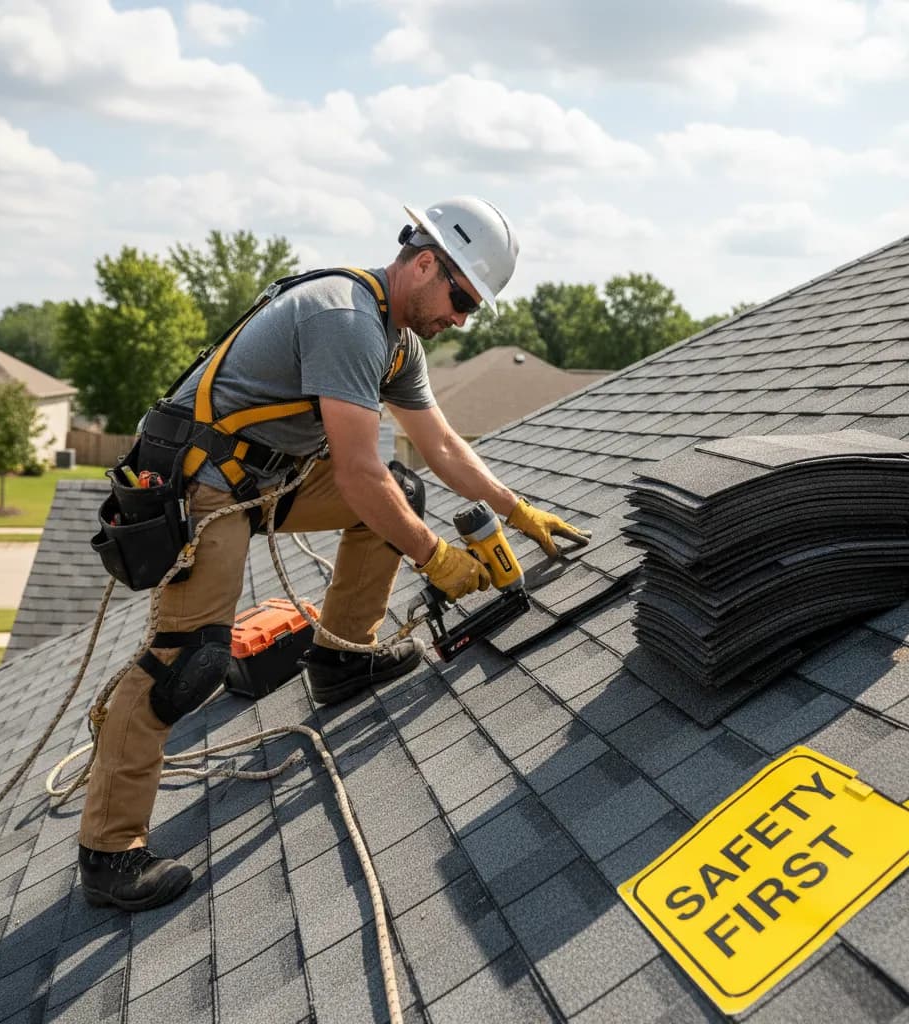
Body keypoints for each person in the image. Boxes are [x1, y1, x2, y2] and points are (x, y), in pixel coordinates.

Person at [77, 196, 592, 911]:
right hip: (205, 486)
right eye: (461, 296)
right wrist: (436, 557)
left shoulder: (397, 340)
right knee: (186, 661)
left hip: (271, 478)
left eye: (474, 307)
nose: (462, 318)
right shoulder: (345, 318)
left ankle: (342, 655)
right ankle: (109, 853)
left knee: (402, 494)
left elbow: (439, 444)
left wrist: (519, 510)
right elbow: (355, 472)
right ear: (422, 263)